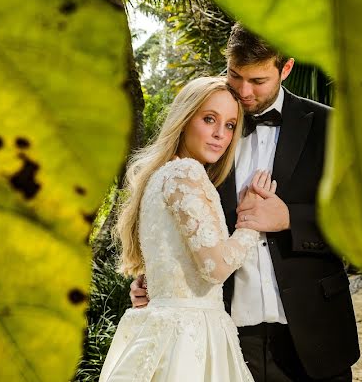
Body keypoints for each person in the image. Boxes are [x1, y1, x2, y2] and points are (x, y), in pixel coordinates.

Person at [131, 24, 360, 381]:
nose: (243, 91)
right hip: (226, 336)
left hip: (314, 332)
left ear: (285, 69)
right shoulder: (209, 129)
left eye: (257, 80)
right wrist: (162, 280)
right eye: (235, 75)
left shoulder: (330, 127)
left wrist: (290, 218)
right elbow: (186, 218)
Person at [100, 76, 277, 381]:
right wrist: (252, 222)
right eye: (210, 119)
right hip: (191, 335)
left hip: (162, 327)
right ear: (184, 119)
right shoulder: (186, 173)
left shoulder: (160, 175)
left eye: (230, 125)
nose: (220, 134)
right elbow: (215, 267)